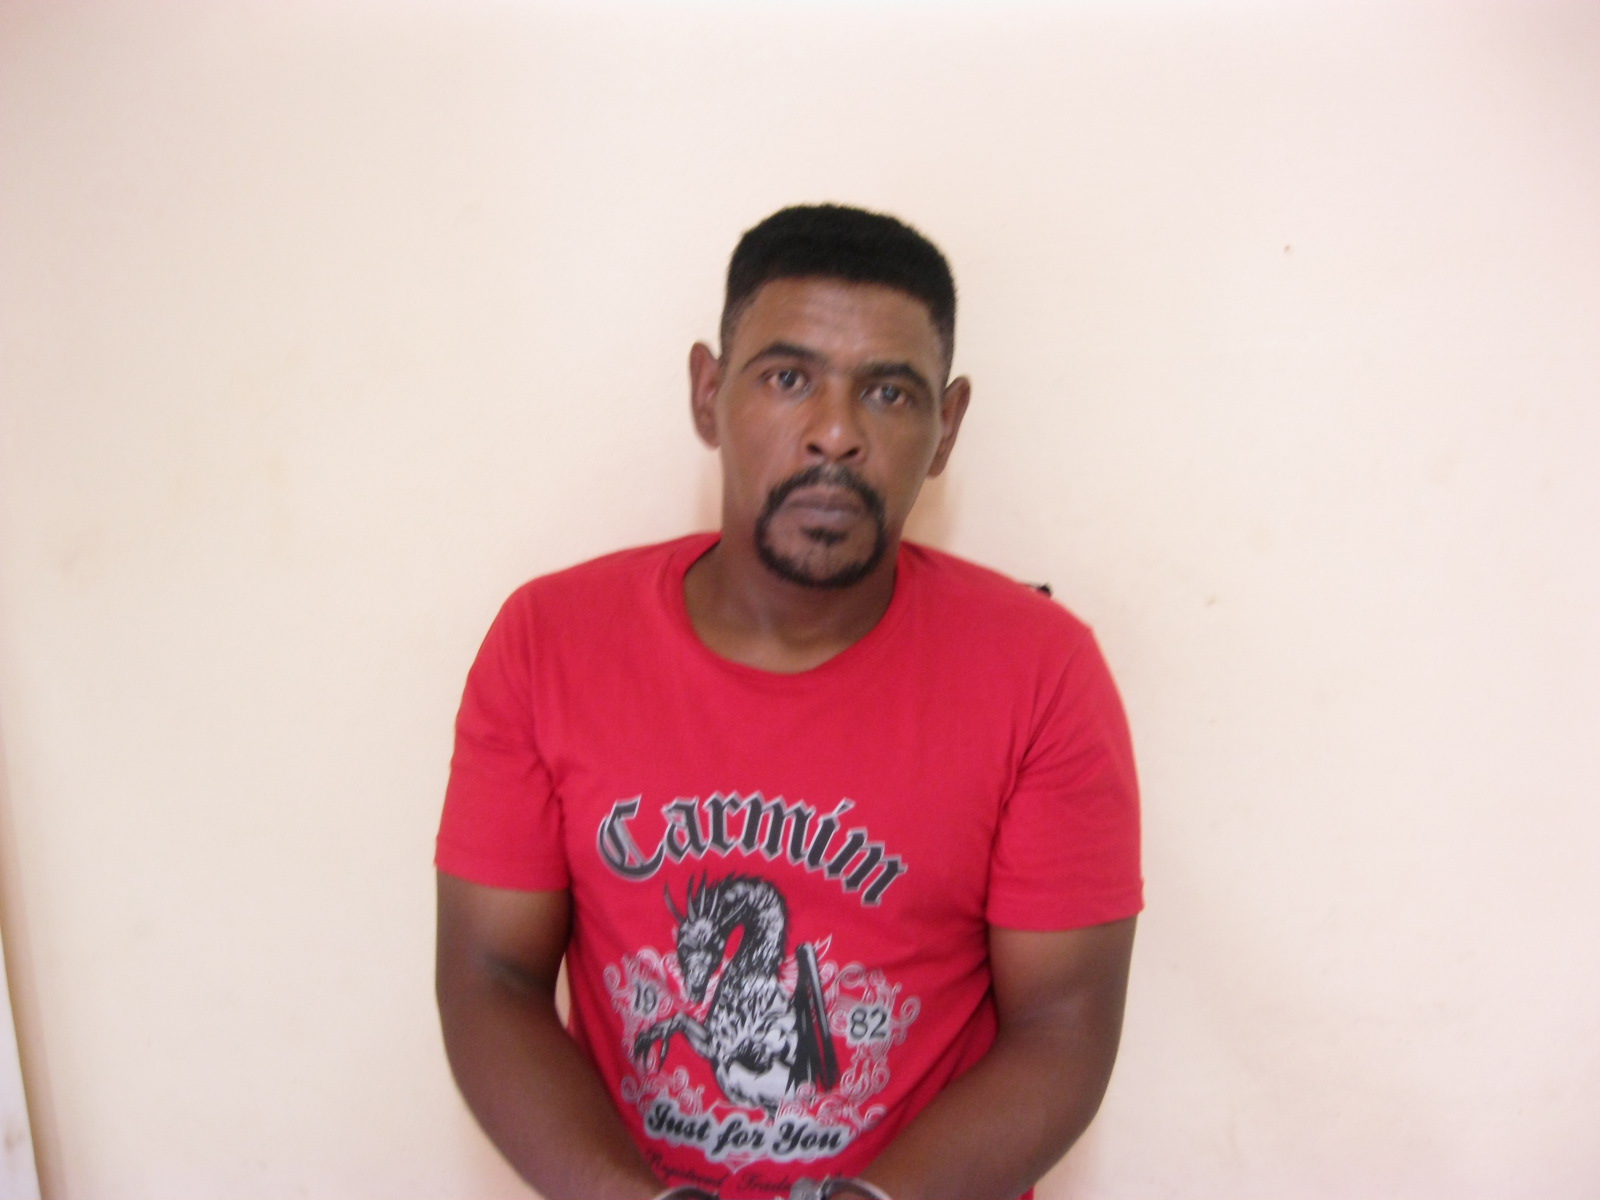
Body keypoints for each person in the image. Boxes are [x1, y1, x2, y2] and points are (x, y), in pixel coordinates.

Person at [434, 204, 1142, 1200]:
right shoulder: (547, 642)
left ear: (946, 428)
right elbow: (490, 978)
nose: (836, 434)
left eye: (888, 392)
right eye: (787, 378)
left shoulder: (1041, 671)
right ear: (707, 393)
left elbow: (1061, 1027)